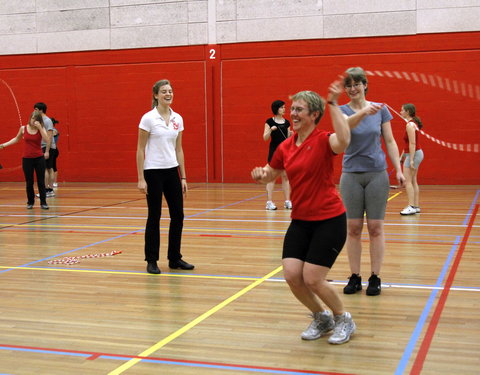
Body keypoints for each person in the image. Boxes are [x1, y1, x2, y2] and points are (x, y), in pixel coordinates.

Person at [251, 78, 356, 345]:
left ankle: (343, 318)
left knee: (312, 278)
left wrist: (332, 102)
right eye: (292, 109)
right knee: (291, 275)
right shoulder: (286, 146)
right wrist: (262, 175)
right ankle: (321, 317)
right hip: (301, 220)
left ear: (313, 115)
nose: (293, 114)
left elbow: (343, 140)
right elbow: (272, 172)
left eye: (299, 110)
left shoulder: (323, 141)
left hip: (329, 220)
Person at [339, 67, 405, 296]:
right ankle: (354, 276)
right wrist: (364, 112)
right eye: (348, 85)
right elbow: (345, 128)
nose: (352, 88)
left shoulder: (381, 110)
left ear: (365, 85)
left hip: (377, 174)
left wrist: (398, 169)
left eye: (357, 83)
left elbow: (390, 140)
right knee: (353, 228)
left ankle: (375, 276)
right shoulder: (341, 110)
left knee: (375, 228)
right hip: (351, 175)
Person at [136, 79, 194, 274]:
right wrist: (141, 178)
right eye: (164, 91)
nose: (168, 94)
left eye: (170, 91)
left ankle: (174, 258)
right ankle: (151, 260)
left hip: (172, 172)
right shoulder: (148, 118)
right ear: (155, 95)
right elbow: (140, 148)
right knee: (155, 215)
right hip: (153, 172)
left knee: (178, 215)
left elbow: (179, 149)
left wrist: (183, 177)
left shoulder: (178, 118)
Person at [0, 112, 50, 209]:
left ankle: (43, 202)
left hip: (39, 158)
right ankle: (30, 202)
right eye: (32, 118)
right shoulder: (23, 128)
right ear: (29, 118)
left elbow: (47, 139)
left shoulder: (41, 129)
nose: (33, 120)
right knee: (29, 181)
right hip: (27, 159)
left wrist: (40, 127)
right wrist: (3, 145)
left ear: (39, 120)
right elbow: (16, 139)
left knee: (41, 181)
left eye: (36, 119)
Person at [263, 100, 292, 210]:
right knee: (272, 177)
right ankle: (269, 202)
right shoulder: (269, 122)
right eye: (282, 107)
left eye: (284, 107)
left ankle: (287, 201)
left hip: (285, 152)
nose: (284, 109)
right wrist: (270, 130)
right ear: (276, 108)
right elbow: (265, 138)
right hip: (274, 151)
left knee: (285, 176)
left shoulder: (287, 123)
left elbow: (289, 140)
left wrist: (291, 135)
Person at [399, 104, 424, 215]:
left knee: (408, 181)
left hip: (414, 155)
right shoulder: (413, 124)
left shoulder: (410, 125)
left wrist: (412, 160)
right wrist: (402, 156)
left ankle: (411, 206)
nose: (400, 112)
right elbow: (408, 144)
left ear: (408, 112)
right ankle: (416, 206)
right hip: (415, 154)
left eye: (402, 110)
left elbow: (413, 144)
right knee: (413, 181)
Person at [34, 102, 57, 197]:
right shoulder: (39, 120)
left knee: (46, 169)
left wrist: (47, 151)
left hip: (47, 147)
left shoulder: (47, 121)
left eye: (35, 109)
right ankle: (49, 190)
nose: (34, 111)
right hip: (44, 147)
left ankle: (47, 190)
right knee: (49, 168)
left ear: (41, 110)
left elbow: (50, 136)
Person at [51, 118, 60, 188]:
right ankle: (51, 182)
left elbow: (49, 136)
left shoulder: (54, 130)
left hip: (53, 150)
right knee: (49, 166)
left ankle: (54, 182)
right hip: (51, 149)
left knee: (53, 166)